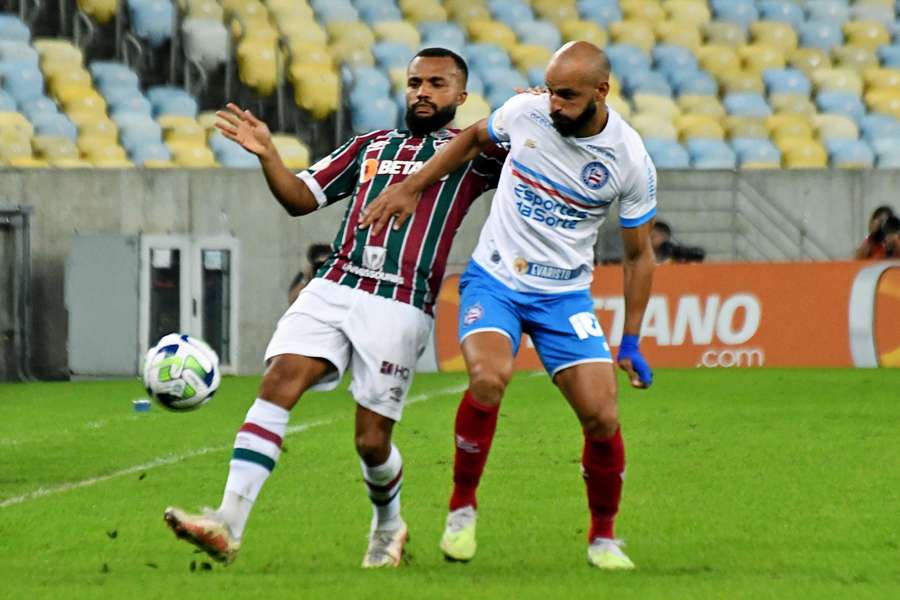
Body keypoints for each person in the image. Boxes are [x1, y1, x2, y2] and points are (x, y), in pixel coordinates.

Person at [162, 47, 505, 568]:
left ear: (460, 96)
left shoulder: (472, 155)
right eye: (415, 82)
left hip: (400, 299)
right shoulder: (369, 145)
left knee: (371, 443)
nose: (423, 92)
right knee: (279, 380)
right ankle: (228, 522)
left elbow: (537, 154)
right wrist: (268, 154)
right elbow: (301, 199)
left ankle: (388, 526)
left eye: (437, 84)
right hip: (336, 282)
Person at [361, 41, 655, 570]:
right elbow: (474, 136)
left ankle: (604, 539)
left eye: (567, 96)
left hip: (564, 295)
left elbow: (639, 256)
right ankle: (461, 508)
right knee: (489, 379)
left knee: (603, 417)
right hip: (494, 281)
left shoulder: (629, 158)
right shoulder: (527, 112)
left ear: (601, 93)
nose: (554, 104)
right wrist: (413, 187)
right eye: (550, 91)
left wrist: (631, 340)